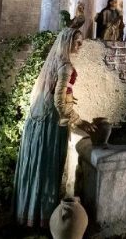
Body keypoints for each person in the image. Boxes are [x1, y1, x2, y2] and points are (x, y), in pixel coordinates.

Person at [13, 28, 96, 228]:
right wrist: (79, 121)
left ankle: (29, 213)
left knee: (37, 163)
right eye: (77, 41)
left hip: (40, 117)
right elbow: (59, 101)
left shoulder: (56, 61)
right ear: (67, 42)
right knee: (47, 164)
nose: (80, 45)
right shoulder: (65, 66)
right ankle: (44, 217)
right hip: (51, 121)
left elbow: (57, 93)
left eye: (81, 41)